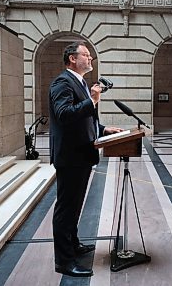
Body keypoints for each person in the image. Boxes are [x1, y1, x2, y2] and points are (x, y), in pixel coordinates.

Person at [49, 40, 123, 277]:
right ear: (72, 58)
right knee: (66, 208)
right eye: (86, 55)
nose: (90, 59)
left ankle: (73, 244)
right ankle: (64, 260)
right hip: (70, 157)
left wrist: (101, 129)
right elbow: (63, 115)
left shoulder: (79, 82)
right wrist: (92, 100)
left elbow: (82, 119)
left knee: (75, 206)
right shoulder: (63, 82)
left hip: (81, 155)